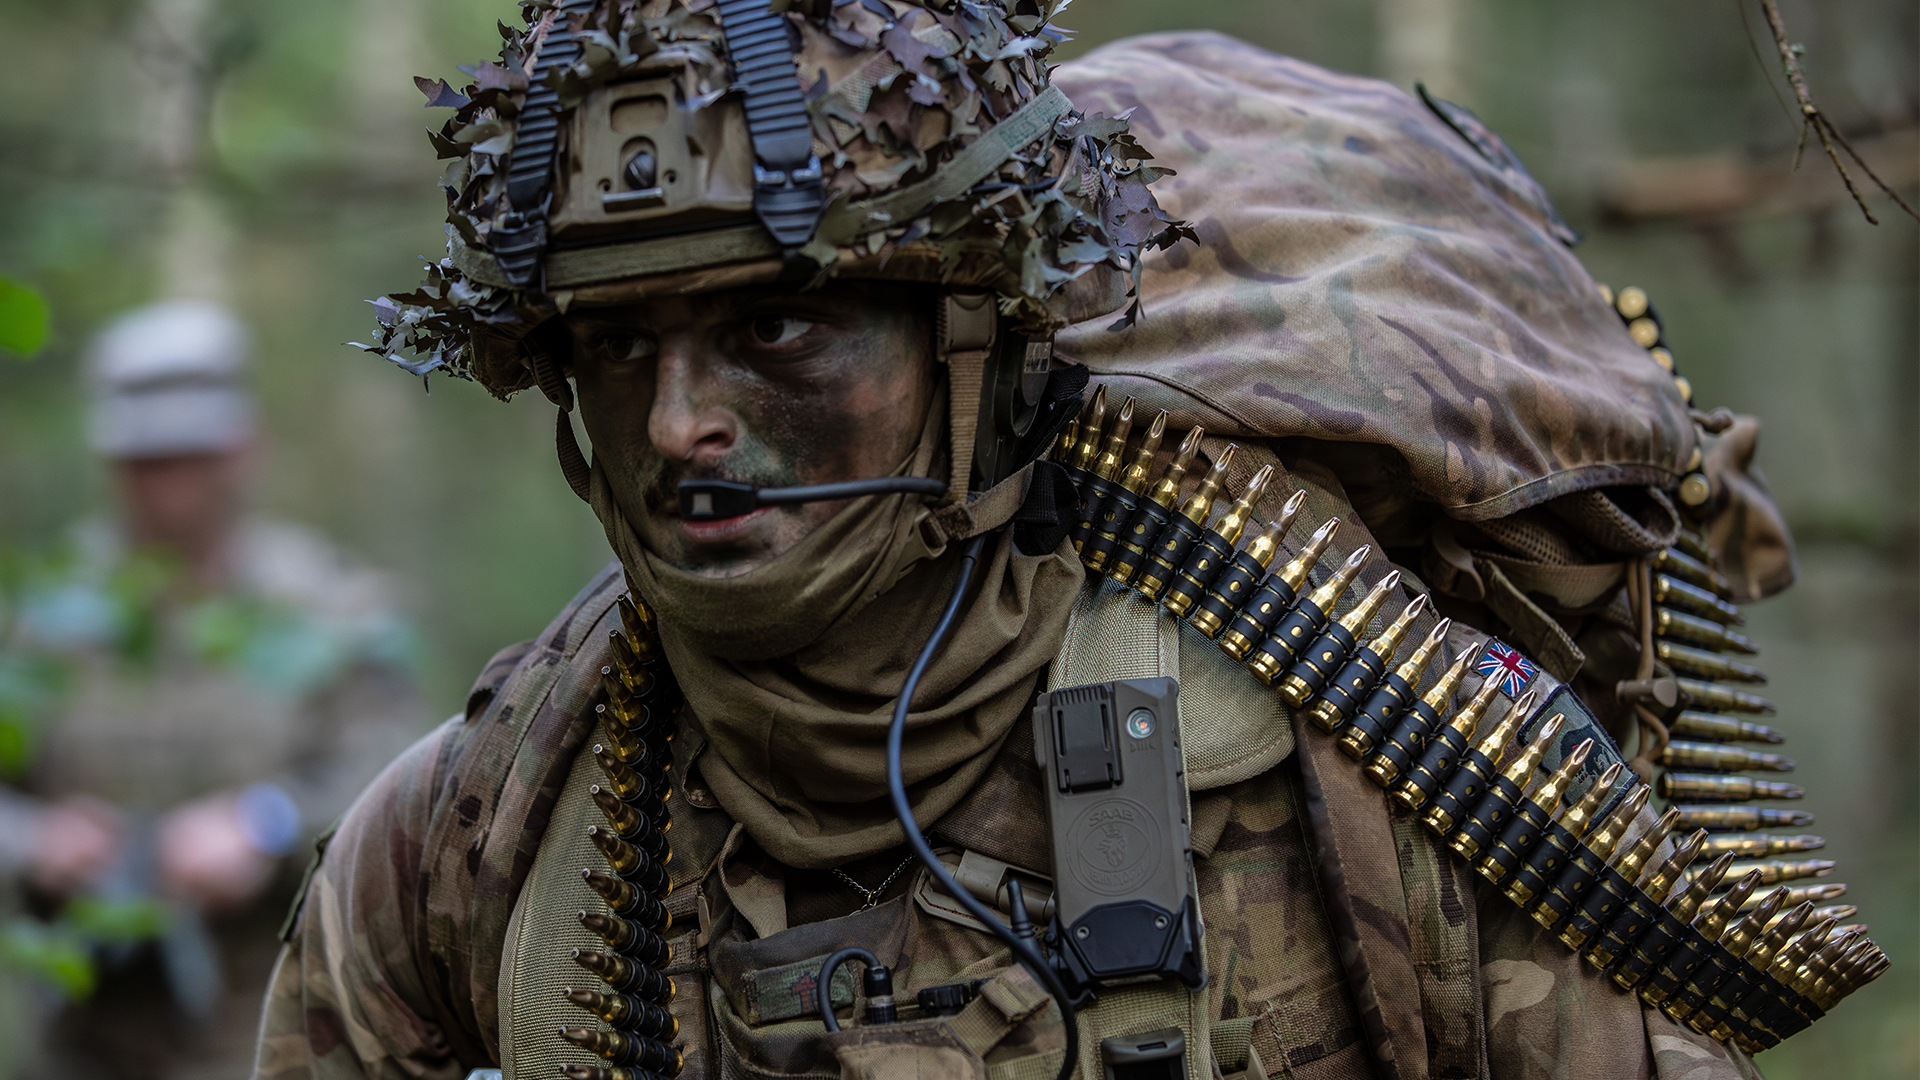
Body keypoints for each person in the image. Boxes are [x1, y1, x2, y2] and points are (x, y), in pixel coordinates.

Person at [256, 5, 1839, 1079]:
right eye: (617, 349)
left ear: (975, 350)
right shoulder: (480, 835)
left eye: (782, 328)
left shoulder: (1349, 739)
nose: (679, 422)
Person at [0, 300, 427, 1080]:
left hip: (275, 1032)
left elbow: (402, 784)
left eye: (187, 453)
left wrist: (264, 824)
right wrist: (37, 840)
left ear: (241, 448)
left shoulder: (330, 611)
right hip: (79, 1041)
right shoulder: (40, 616)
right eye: (144, 458)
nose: (166, 483)